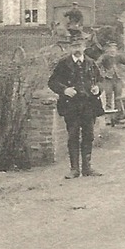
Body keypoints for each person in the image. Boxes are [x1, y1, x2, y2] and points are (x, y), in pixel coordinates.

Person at [49, 34, 105, 178]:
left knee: (89, 135)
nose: (77, 50)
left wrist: (98, 88)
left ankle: (87, 168)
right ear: (69, 48)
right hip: (71, 106)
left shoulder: (91, 63)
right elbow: (52, 82)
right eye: (74, 47)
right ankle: (74, 169)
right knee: (73, 135)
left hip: (88, 105)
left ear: (84, 47)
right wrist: (64, 90)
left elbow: (101, 81)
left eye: (79, 46)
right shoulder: (63, 64)